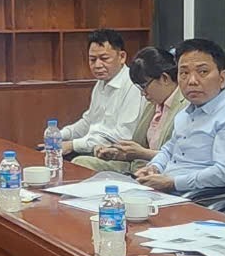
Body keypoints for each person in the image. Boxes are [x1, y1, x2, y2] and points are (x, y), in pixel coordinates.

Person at [135, 37, 225, 199]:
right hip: (166, 192)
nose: (192, 81)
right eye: (184, 73)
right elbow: (169, 149)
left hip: (196, 198)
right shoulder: (186, 112)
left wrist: (173, 182)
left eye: (203, 72)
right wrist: (154, 167)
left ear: (222, 78)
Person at [75, 46, 183, 175]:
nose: (143, 93)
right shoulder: (153, 104)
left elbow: (182, 158)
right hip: (135, 167)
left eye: (144, 86)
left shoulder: (185, 107)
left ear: (165, 78)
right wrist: (117, 153)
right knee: (80, 163)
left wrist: (142, 153)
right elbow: (138, 147)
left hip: (161, 173)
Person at [52, 28, 142, 158]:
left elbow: (122, 136)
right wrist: (60, 135)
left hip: (117, 155)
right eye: (92, 59)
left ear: (122, 57)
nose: (97, 65)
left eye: (104, 58)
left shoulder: (133, 84)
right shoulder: (101, 83)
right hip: (94, 147)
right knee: (47, 152)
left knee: (70, 159)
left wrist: (73, 145)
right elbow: (88, 122)